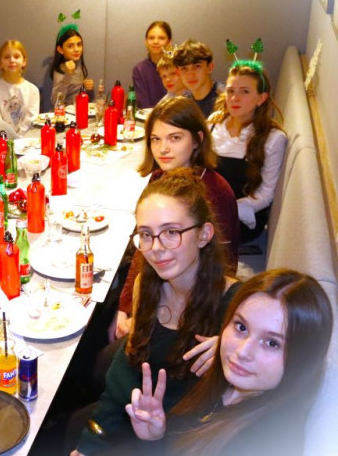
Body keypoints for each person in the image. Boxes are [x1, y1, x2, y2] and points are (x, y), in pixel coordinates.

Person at [71, 170, 240, 455]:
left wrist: (231, 358)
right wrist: (91, 442)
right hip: (139, 417)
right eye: (146, 235)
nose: (156, 248)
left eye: (172, 232)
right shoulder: (146, 286)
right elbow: (126, 371)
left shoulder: (238, 310)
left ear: (204, 235)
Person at [126, 269, 333, 456]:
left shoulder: (267, 442)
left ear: (302, 358)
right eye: (241, 327)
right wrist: (153, 439)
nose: (242, 352)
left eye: (272, 343)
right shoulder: (225, 383)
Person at [112, 96, 240, 341]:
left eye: (175, 138)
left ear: (197, 140)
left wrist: (143, 316)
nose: (163, 149)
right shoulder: (159, 177)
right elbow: (143, 251)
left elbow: (223, 268)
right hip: (157, 283)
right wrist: (125, 307)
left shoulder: (215, 193)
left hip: (195, 309)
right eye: (156, 139)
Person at [209, 61, 287, 243]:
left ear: (261, 98)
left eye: (244, 92)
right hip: (207, 209)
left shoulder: (273, 138)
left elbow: (265, 194)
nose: (234, 98)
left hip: (240, 218)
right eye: (230, 91)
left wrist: (226, 210)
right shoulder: (214, 124)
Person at [0, 39, 40, 135]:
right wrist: (8, 137)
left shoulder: (33, 90)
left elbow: (31, 119)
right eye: (6, 57)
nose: (12, 60)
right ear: (0, 63)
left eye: (16, 56)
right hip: (1, 138)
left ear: (24, 61)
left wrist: (18, 138)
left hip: (26, 139)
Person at [45, 24, 95, 112]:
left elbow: (75, 91)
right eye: (70, 46)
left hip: (78, 111)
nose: (76, 49)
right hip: (64, 114)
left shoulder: (79, 65)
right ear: (60, 49)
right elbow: (56, 100)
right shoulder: (61, 69)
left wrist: (85, 85)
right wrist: (68, 74)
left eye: (79, 44)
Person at [172, 39, 224, 118]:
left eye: (197, 66)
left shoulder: (224, 99)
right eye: (184, 68)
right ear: (178, 72)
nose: (190, 75)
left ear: (210, 67)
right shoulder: (184, 104)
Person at [132, 21, 172, 109]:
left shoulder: (178, 67)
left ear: (169, 42)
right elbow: (143, 105)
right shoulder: (139, 70)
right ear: (146, 42)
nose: (156, 42)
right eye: (151, 38)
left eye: (161, 38)